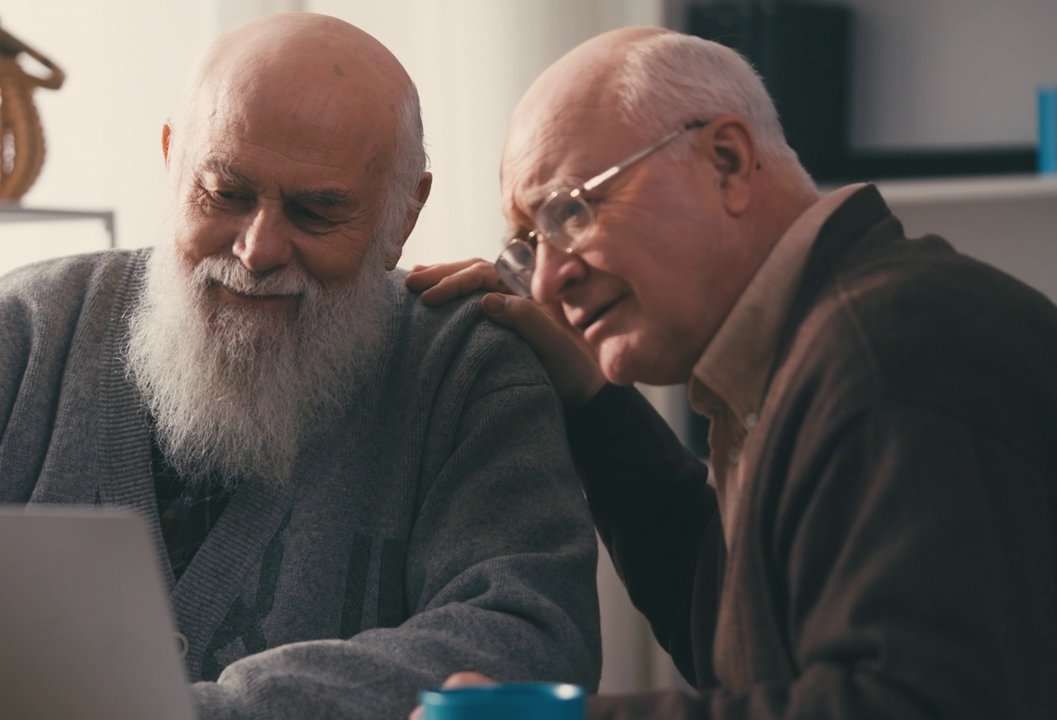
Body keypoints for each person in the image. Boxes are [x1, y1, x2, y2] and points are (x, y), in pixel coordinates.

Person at [0, 13, 603, 719]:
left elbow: (529, 643)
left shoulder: (468, 372)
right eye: (225, 192)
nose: (257, 250)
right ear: (170, 158)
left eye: (317, 210)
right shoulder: (7, 341)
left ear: (405, 213)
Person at [409, 26, 1057, 719]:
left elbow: (915, 705)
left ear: (725, 160)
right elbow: (735, 631)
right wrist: (591, 400)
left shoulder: (891, 355)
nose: (545, 282)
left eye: (571, 209)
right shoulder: (822, 347)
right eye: (529, 243)